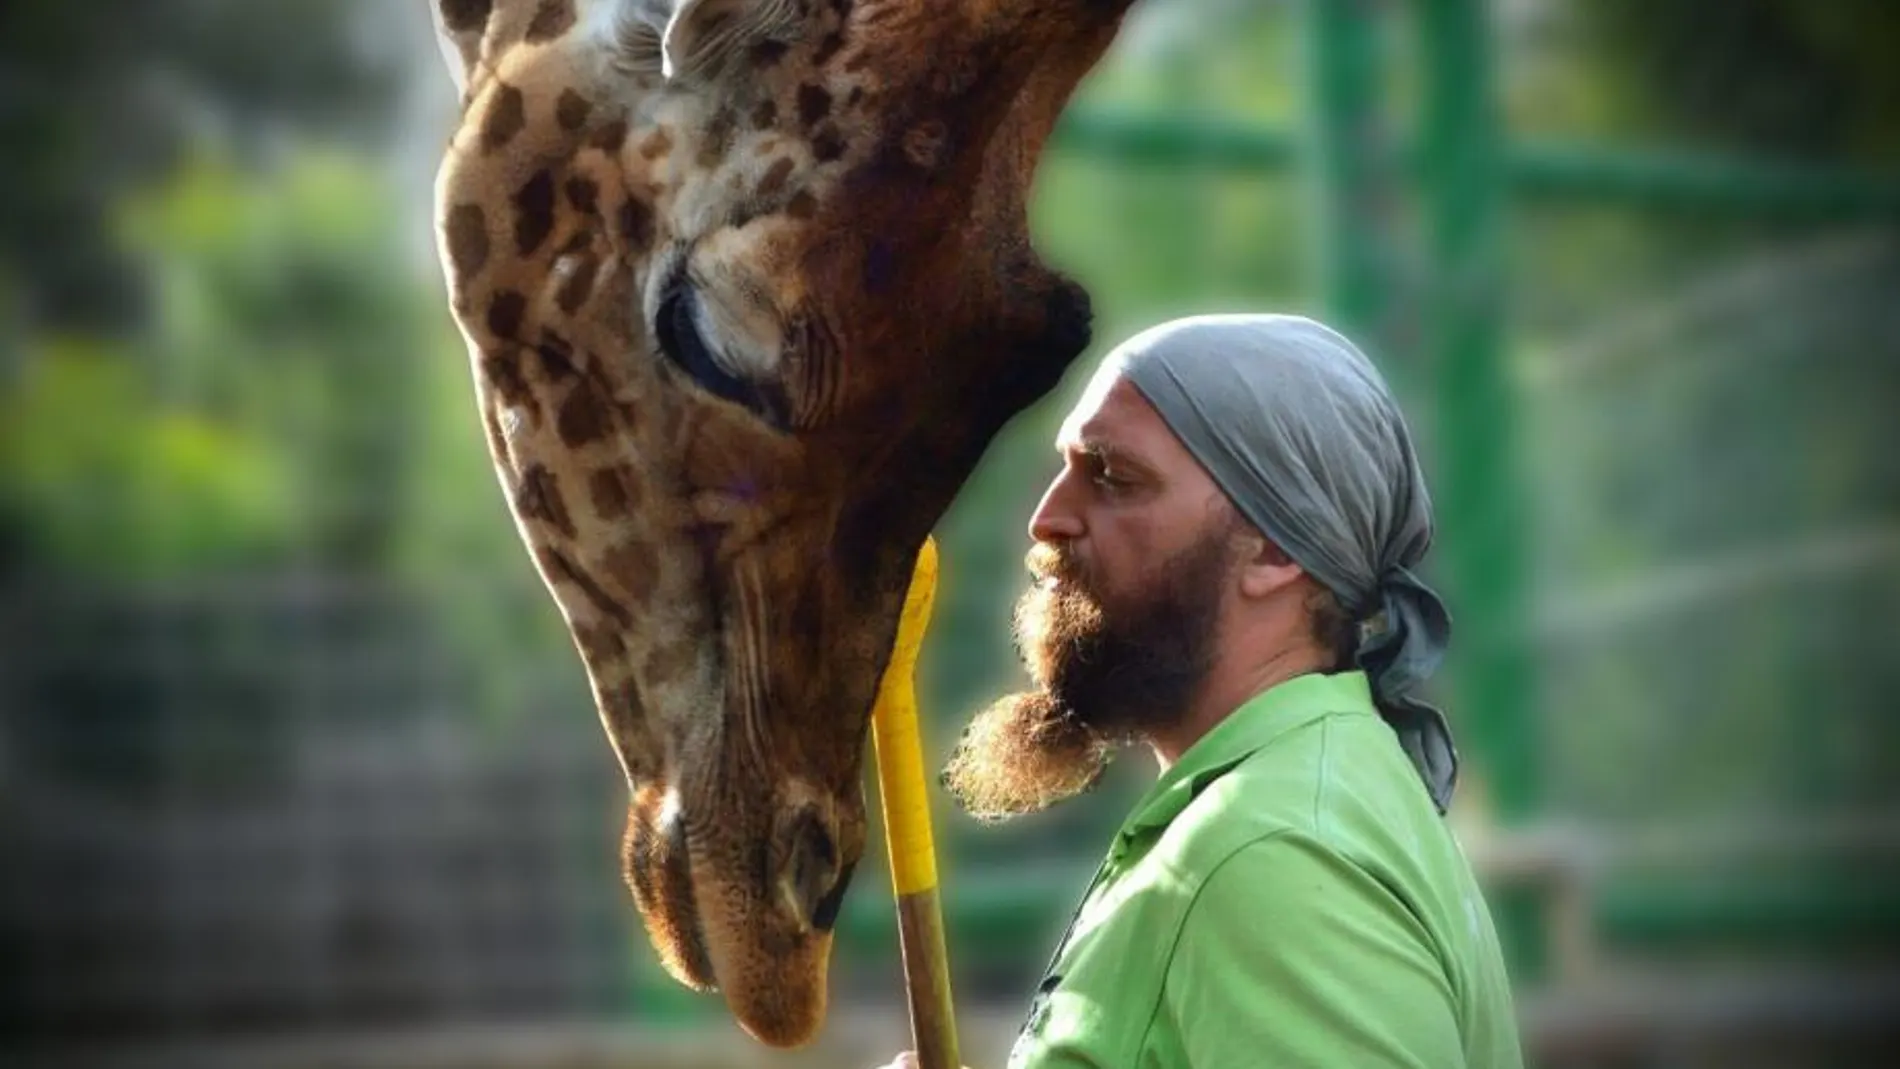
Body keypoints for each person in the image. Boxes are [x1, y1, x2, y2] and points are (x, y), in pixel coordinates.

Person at [876, 314, 1523, 1068]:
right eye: (1066, 468)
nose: (1046, 518)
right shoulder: (1288, 804)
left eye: (1113, 477)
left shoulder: (1279, 853)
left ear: (1276, 548)